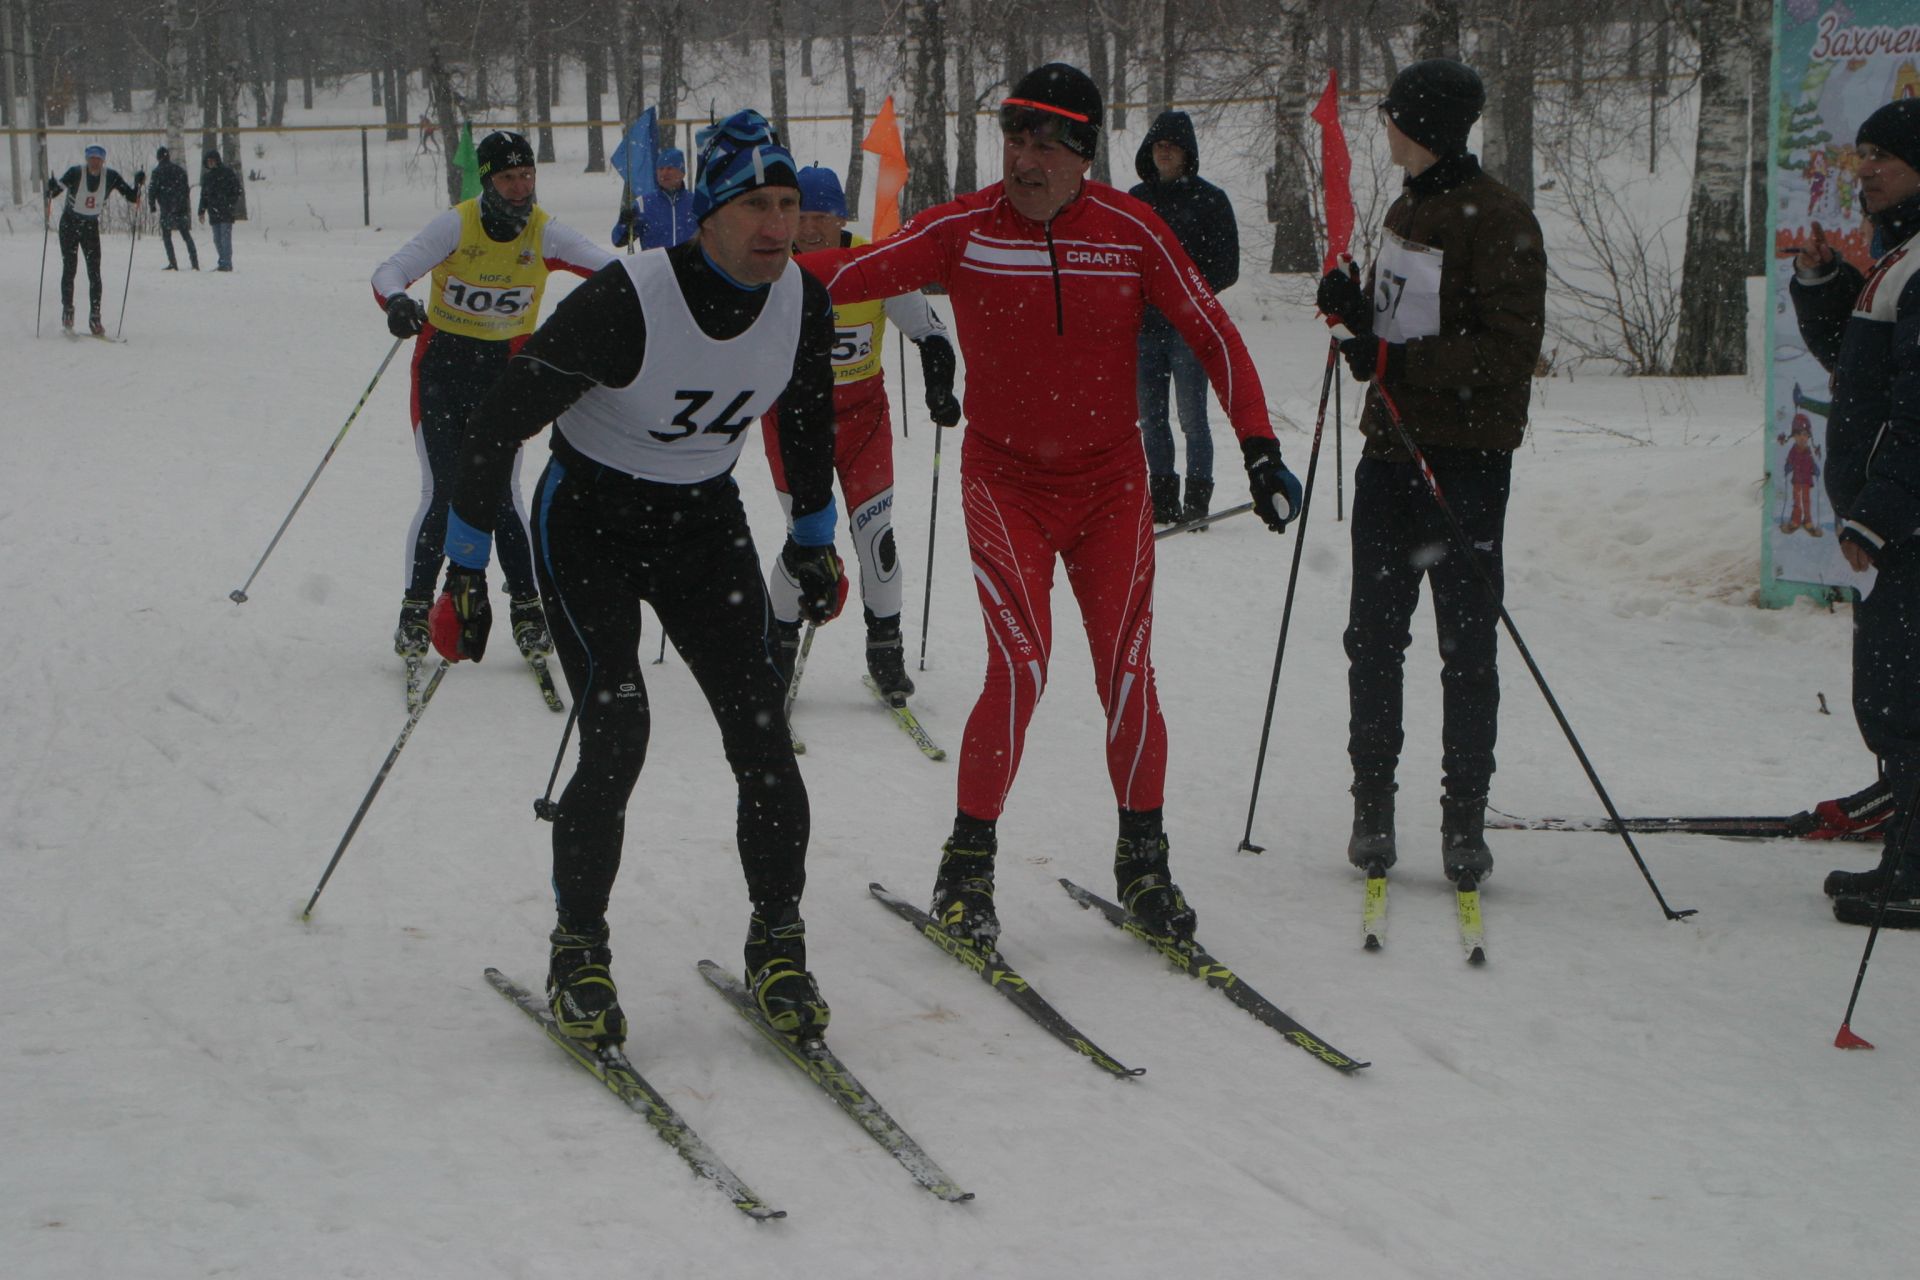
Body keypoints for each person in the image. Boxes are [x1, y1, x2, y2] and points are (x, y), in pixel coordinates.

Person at [803, 64, 1303, 953]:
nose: (1026, 160)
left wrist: (1258, 446)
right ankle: (966, 869)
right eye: (1016, 139)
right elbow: (854, 271)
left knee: (1126, 666)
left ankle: (1143, 862)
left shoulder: (1129, 227)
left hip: (1112, 489)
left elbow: (1210, 329)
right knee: (1022, 666)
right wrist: (741, 271)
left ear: (1083, 155)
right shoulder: (964, 227)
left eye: (1047, 144)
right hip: (1007, 485)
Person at [428, 109, 845, 1044]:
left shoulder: (801, 301)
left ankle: (777, 941)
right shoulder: (631, 297)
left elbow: (809, 419)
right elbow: (498, 423)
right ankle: (580, 947)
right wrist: (464, 569)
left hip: (702, 525)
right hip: (591, 524)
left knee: (762, 731)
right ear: (707, 213)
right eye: (753, 206)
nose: (777, 225)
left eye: (787, 205)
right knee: (618, 728)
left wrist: (813, 536)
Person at [1314, 58, 1546, 887]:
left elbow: (1510, 352)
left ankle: (1463, 820)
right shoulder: (1407, 203)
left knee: (1466, 645)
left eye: (1393, 115)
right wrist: (1353, 308)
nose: (1383, 125)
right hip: (1390, 454)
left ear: (1423, 125)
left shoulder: (1501, 219)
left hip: (1465, 461)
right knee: (1372, 639)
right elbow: (1397, 321)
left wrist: (1395, 359)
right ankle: (1372, 805)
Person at [370, 130, 612, 696]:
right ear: (488, 181)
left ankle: (526, 606)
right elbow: (389, 272)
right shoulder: (457, 224)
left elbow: (610, 270)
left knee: (502, 493)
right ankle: (415, 608)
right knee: (443, 488)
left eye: (527, 176)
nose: (522, 187)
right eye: (509, 178)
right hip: (442, 372)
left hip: (505, 377)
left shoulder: (544, 229)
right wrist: (399, 302)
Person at [760, 163, 961, 706]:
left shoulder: (871, 262)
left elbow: (930, 329)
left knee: (877, 538)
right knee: (806, 544)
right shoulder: (773, 265)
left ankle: (885, 653)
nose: (811, 228)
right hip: (790, 422)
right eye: (802, 215)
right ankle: (776, 647)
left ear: (842, 218)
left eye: (822, 216)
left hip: (862, 419)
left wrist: (939, 385)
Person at [1788, 98, 1920, 919]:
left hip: (1907, 527)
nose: (1864, 168)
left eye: (1885, 155)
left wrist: (1881, 512)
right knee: (1889, 695)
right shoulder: (1895, 255)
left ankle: (1913, 872)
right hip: (1897, 524)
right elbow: (1862, 369)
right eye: (1861, 151)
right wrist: (1823, 284)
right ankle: (1905, 853)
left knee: (1903, 698)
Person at [1128, 109, 1240, 527]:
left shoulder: (1211, 201)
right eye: (1157, 145)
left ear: (1186, 152)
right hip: (1144, 329)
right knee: (1151, 417)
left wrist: (1186, 293)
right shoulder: (1136, 201)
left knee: (1193, 417)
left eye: (1171, 146)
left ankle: (1197, 499)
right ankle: (1161, 498)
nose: (1163, 153)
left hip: (1189, 329)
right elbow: (1122, 262)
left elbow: (1227, 267)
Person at [44, 144, 142, 335]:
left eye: (98, 159)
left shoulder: (111, 176)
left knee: (94, 272)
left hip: (90, 226)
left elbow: (131, 196)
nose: (95, 162)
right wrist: (51, 187)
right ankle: (68, 311)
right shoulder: (75, 172)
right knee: (70, 267)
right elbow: (56, 192)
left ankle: (95, 317)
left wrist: (138, 184)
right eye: (91, 158)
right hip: (70, 224)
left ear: (103, 160)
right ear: (87, 159)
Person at [611, 147, 697, 250]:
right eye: (661, 169)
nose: (664, 173)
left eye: (670, 168)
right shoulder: (643, 204)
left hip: (689, 264)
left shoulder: (697, 202)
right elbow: (618, 241)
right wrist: (624, 224)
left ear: (682, 173)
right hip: (656, 265)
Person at [149, 145, 198, 272]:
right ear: (168, 156)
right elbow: (186, 189)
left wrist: (152, 205)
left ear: (158, 158)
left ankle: (173, 263)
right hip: (181, 207)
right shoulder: (179, 170)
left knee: (167, 236)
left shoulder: (157, 172)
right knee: (186, 235)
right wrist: (184, 204)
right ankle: (194, 262)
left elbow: (152, 190)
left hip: (166, 208)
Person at [197, 150, 243, 272]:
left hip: (226, 212)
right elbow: (204, 196)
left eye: (212, 160)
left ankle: (226, 263)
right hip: (213, 212)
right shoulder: (207, 177)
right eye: (208, 161)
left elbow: (237, 190)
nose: (210, 163)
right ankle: (223, 260)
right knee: (217, 239)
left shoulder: (227, 173)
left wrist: (229, 203)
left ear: (217, 160)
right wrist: (201, 211)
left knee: (225, 238)